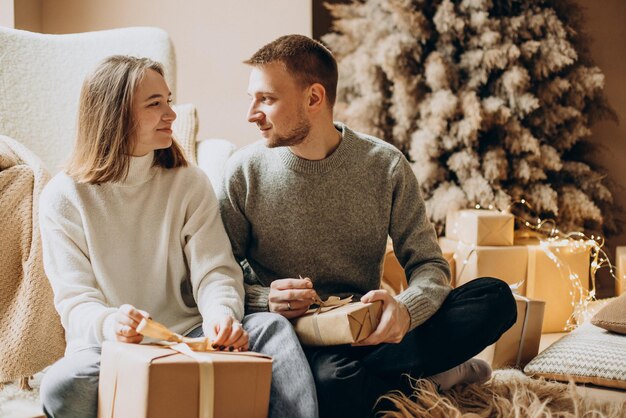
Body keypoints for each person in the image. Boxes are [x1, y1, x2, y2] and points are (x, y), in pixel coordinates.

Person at [218, 35, 518, 417]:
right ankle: (433, 379)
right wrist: (266, 300)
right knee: (331, 383)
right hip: (300, 344)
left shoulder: (385, 165)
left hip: (372, 334)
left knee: (494, 298)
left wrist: (405, 312)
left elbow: (429, 266)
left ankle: (404, 380)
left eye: (267, 99)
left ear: (314, 98)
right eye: (252, 98)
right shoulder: (243, 172)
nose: (251, 113)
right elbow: (217, 276)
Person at [39, 55, 317, 418]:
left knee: (270, 329)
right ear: (113, 113)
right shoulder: (63, 196)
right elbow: (75, 303)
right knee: (63, 384)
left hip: (193, 334)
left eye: (168, 100)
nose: (171, 113)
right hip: (111, 348)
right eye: (155, 104)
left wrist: (222, 318)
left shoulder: (188, 182)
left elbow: (215, 272)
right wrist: (112, 324)